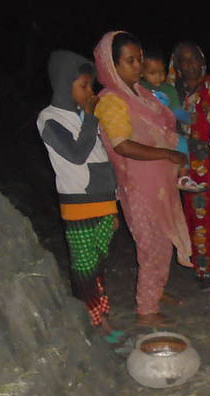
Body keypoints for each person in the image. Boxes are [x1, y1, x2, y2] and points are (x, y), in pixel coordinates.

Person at [93, 31, 192, 327]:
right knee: (149, 243)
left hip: (160, 181)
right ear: (111, 65)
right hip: (137, 184)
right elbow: (122, 145)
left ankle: (156, 291)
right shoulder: (110, 100)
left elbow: (165, 124)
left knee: (164, 240)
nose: (137, 66)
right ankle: (146, 309)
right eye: (129, 60)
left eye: (139, 59)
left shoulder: (142, 94)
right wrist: (166, 153)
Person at [37, 50, 121, 338]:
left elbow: (101, 161)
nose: (90, 92)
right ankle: (97, 321)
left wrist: (113, 207)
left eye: (90, 86)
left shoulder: (84, 118)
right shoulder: (49, 119)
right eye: (84, 86)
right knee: (84, 268)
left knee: (97, 265)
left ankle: (100, 314)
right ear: (63, 83)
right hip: (78, 208)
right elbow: (76, 154)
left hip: (102, 204)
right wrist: (90, 116)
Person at [167, 42, 210, 286]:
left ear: (202, 61)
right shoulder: (171, 92)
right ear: (177, 66)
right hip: (187, 166)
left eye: (194, 59)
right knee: (195, 218)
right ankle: (204, 270)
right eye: (184, 60)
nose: (190, 65)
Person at [139, 47, 204, 192]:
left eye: (162, 72)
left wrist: (189, 118)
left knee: (181, 142)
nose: (159, 76)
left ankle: (184, 176)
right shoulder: (139, 87)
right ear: (142, 72)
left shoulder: (168, 89)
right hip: (145, 133)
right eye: (153, 73)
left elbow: (175, 111)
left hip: (166, 132)